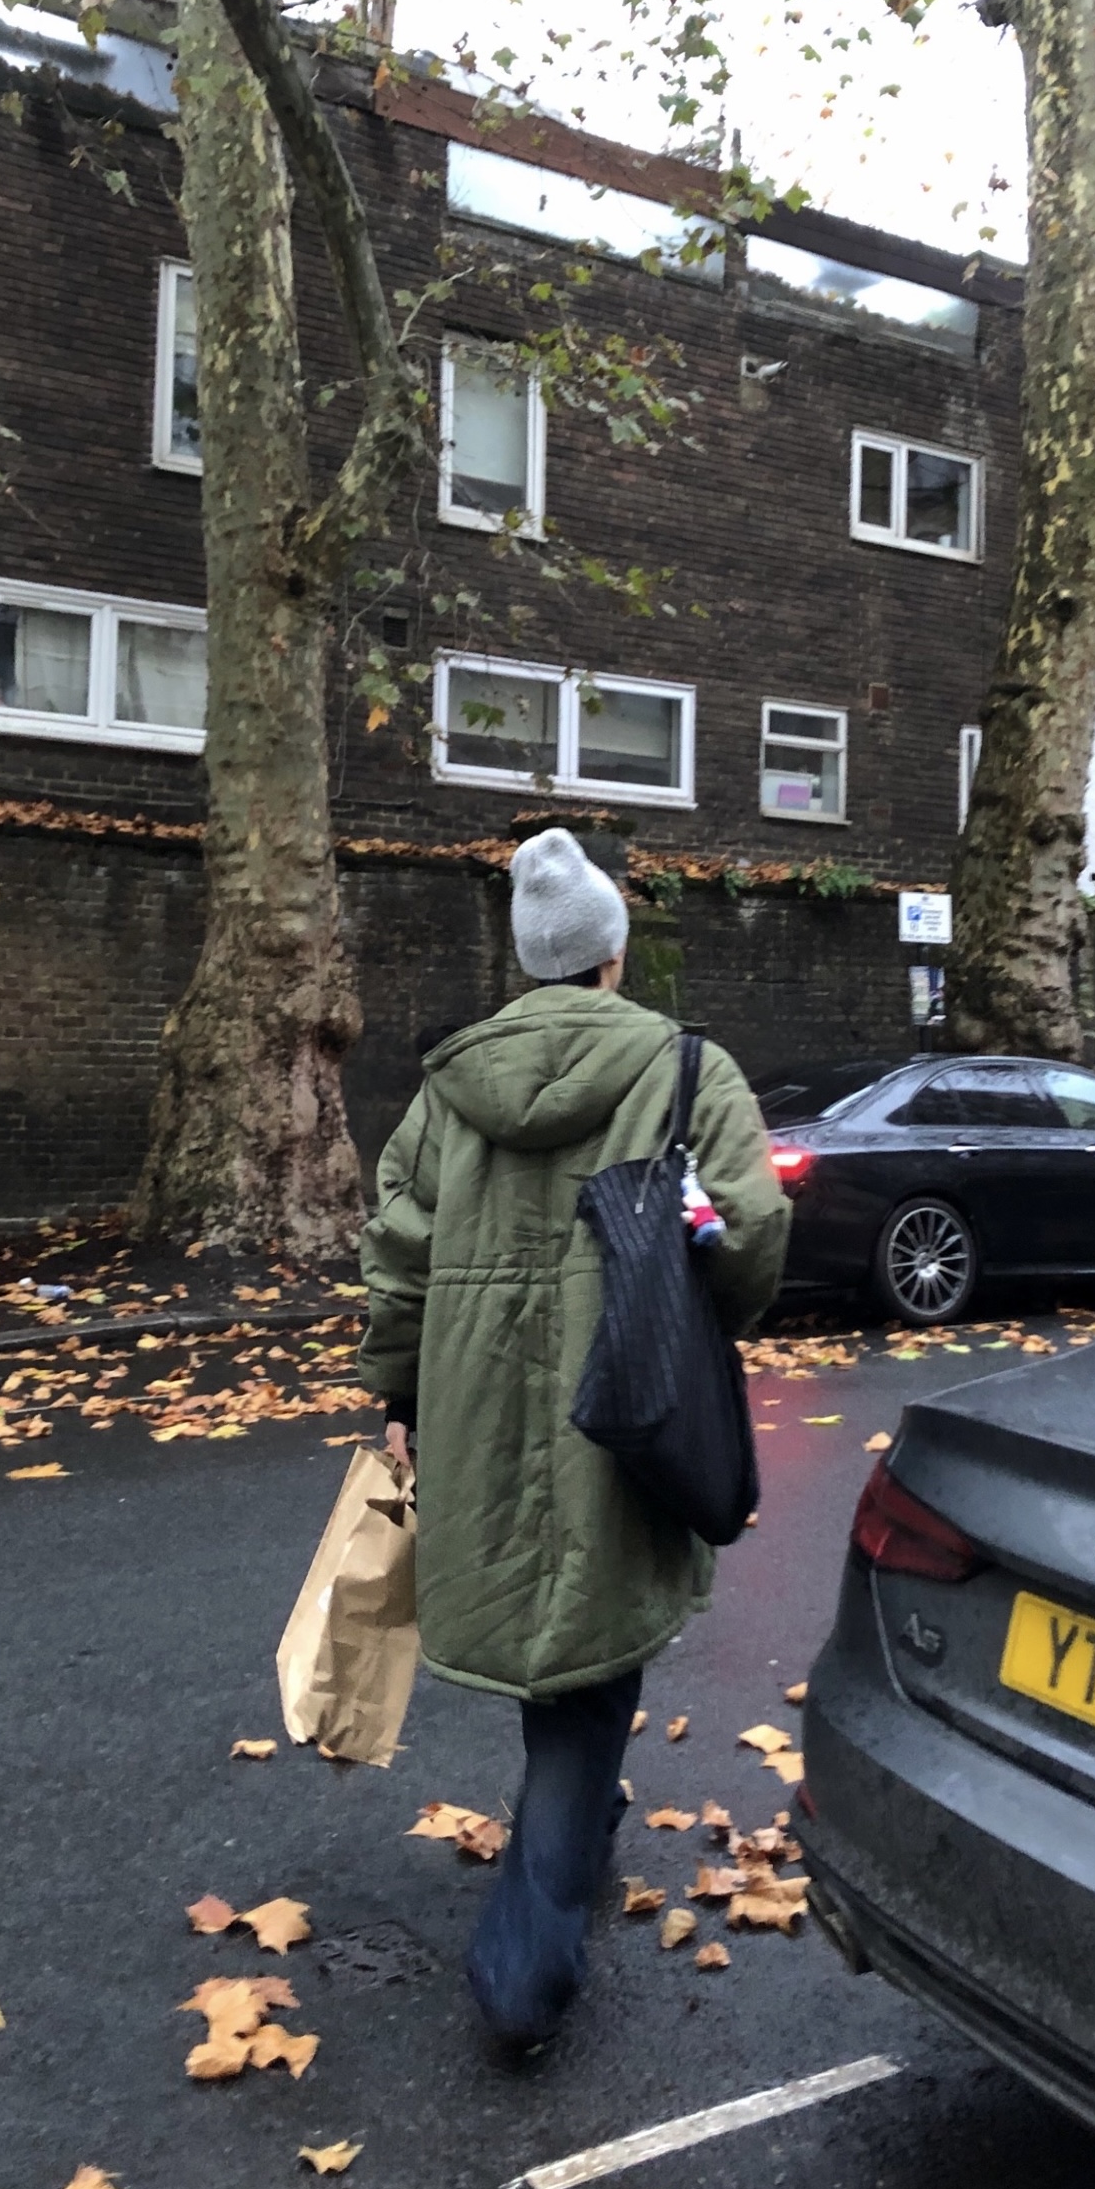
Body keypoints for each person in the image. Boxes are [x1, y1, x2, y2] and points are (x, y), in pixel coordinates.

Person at [358, 825, 790, 2048]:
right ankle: (524, 1960)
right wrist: (716, 1308)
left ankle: (583, 1831)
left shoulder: (449, 1090)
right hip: (628, 1401)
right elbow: (751, 1232)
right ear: (611, 953)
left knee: (554, 1635)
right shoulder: (686, 1069)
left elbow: (398, 1258)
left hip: (480, 1405)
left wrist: (399, 1394)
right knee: (588, 1650)